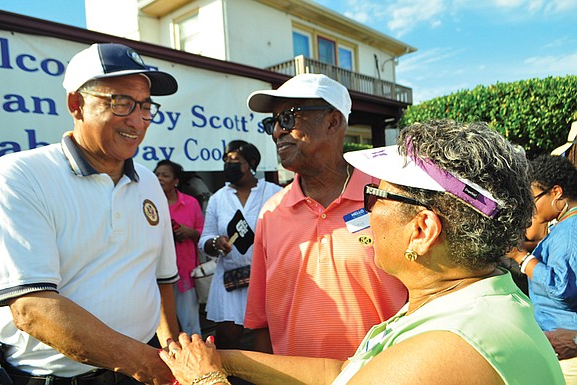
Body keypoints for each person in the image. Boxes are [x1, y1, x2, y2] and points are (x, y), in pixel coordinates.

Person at [158, 119, 565, 385]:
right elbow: (342, 372)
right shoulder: (469, 301)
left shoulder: (443, 348)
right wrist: (225, 359)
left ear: (422, 230)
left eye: (375, 194)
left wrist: (205, 379)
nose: (365, 208)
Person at [0, 43, 180, 385]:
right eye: (121, 103)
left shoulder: (150, 183)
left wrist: (173, 352)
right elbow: (32, 308)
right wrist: (153, 368)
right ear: (76, 104)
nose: (138, 120)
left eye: (145, 106)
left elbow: (161, 281)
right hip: (58, 378)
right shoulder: (19, 176)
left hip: (143, 369)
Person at [242, 73, 407, 360]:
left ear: (333, 122)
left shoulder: (390, 198)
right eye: (273, 122)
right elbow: (260, 322)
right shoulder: (270, 213)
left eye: (289, 118)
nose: (277, 131)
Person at [198, 140, 282, 349]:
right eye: (226, 160)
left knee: (266, 339)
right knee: (227, 338)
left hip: (265, 279)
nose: (229, 164)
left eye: (235, 160)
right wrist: (215, 243)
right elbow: (205, 238)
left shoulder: (273, 192)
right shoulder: (218, 198)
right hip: (230, 280)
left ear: (251, 163)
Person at [508, 153, 577, 384]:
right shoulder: (565, 226)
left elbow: (560, 287)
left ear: (556, 192)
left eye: (534, 198)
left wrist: (521, 257)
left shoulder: (568, 231)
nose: (532, 207)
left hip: (568, 348)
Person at [155, 159, 205, 336]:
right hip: (156, 275)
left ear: (176, 181)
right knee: (162, 325)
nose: (159, 178)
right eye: (157, 174)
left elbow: (203, 231)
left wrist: (190, 232)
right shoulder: (149, 204)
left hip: (185, 272)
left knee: (190, 323)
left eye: (165, 175)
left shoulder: (191, 203)